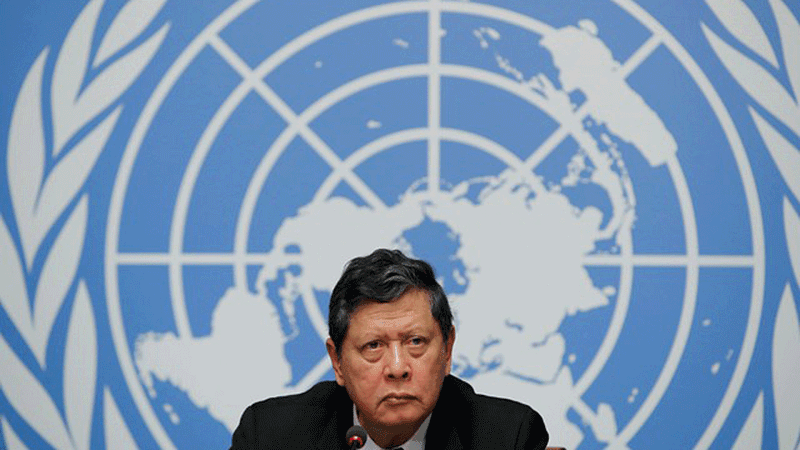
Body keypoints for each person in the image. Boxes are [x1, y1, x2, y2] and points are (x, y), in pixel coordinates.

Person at [230, 248, 549, 449]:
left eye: (416, 342)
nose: (398, 367)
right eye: (373, 346)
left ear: (447, 350)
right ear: (337, 362)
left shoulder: (509, 437)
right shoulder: (271, 436)